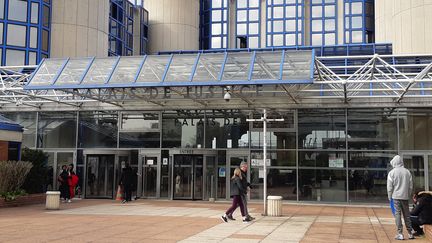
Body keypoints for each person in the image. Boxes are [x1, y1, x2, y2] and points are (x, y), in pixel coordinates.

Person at [387, 155, 414, 240]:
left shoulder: (392, 173)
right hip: (405, 197)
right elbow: (410, 186)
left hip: (395, 197)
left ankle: (400, 233)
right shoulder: (407, 172)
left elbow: (389, 187)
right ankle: (410, 233)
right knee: (407, 215)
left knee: (397, 214)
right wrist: (408, 195)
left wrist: (389, 196)